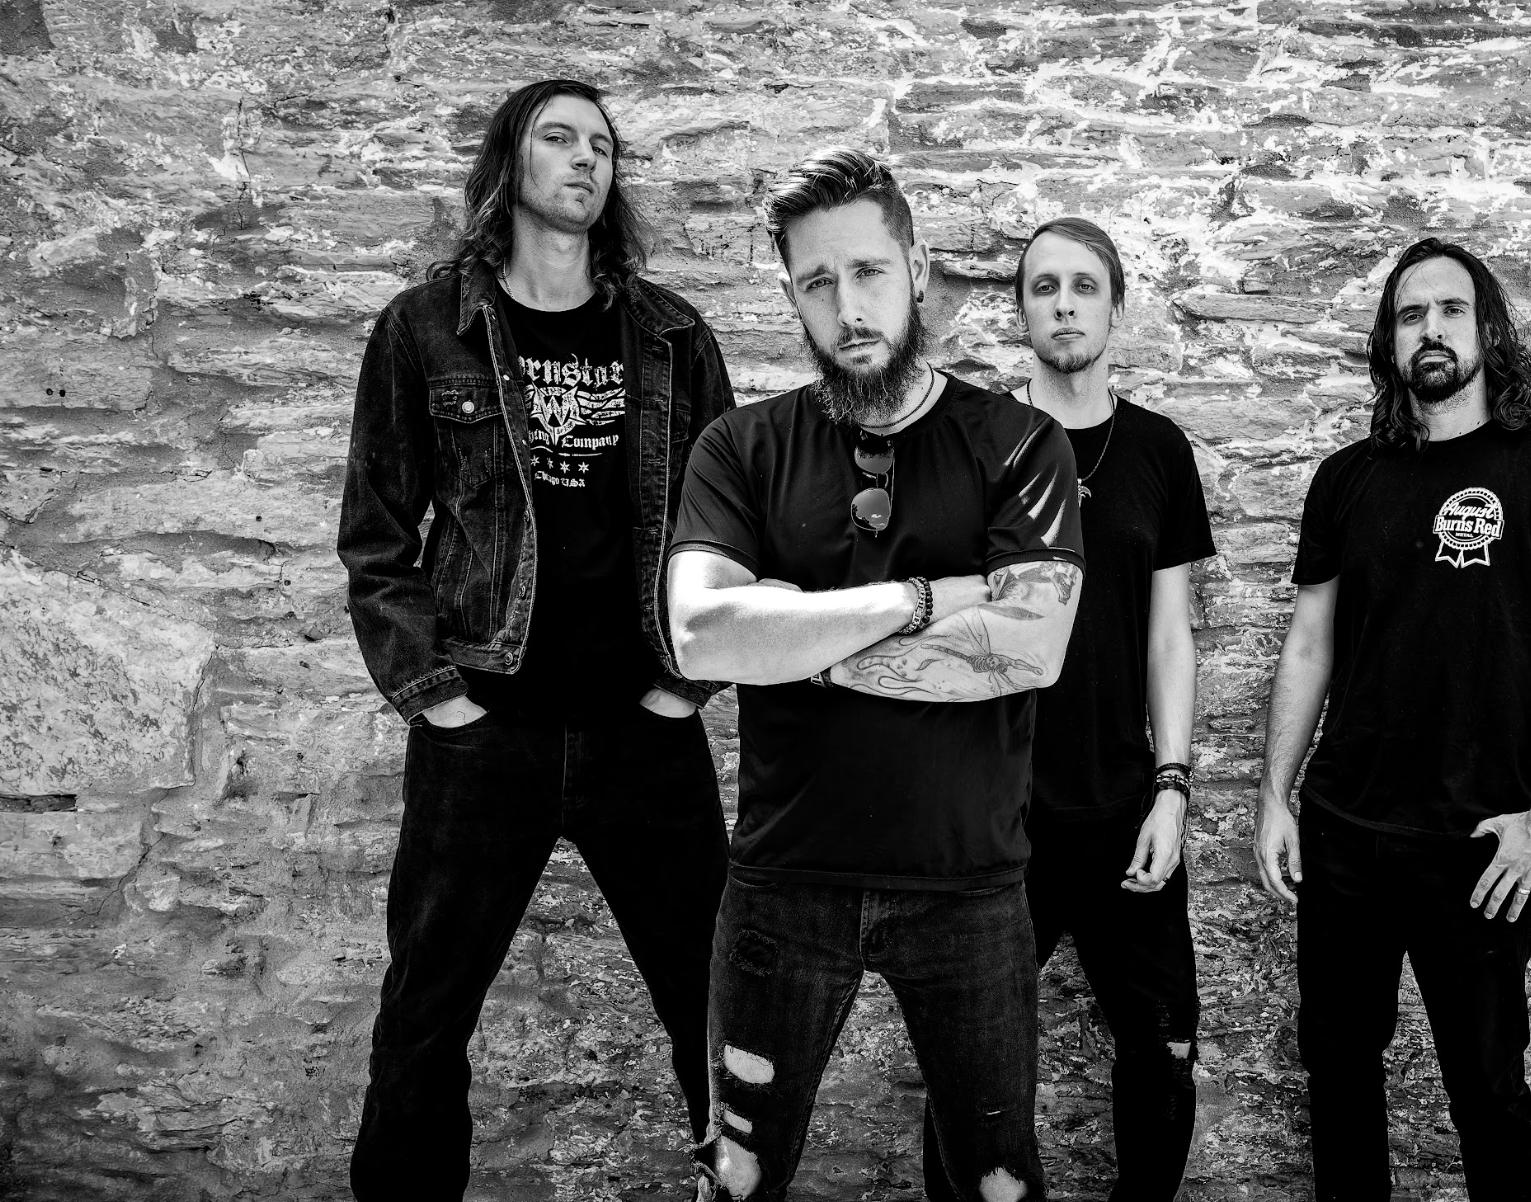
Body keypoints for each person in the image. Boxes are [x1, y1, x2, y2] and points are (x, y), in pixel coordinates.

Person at [336, 78, 735, 1201]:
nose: (586, 158)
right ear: (510, 163)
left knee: (719, 1009)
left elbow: (728, 530)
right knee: (423, 1017)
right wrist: (440, 700)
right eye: (559, 138)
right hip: (485, 732)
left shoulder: (672, 335)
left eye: (602, 144)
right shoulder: (424, 328)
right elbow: (377, 536)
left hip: (641, 731)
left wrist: (683, 686)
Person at [666, 147, 1084, 1202]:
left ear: (917, 269)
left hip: (969, 888)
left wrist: (799, 645)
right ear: (792, 297)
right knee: (736, 1180)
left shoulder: (1020, 444)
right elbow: (703, 637)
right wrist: (925, 598)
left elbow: (1032, 645)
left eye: (867, 272)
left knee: (998, 1184)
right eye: (818, 281)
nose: (848, 307)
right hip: (784, 888)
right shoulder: (740, 447)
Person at [1252, 237, 1531, 1200]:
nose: (1431, 329)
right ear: (1390, 343)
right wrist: (1276, 797)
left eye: (1451, 310)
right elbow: (1309, 646)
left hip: (1483, 845)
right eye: (1410, 314)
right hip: (1346, 833)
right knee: (1340, 1074)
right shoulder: (1345, 480)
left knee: (1487, 1091)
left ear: (1488, 330)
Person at [923, 217, 1215, 1202]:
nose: (1063, 305)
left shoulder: (1157, 449)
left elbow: (1169, 635)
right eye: (1043, 287)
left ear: (1115, 306)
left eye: (1084, 286)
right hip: (997, 810)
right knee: (970, 1061)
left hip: (1122, 803)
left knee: (1165, 1043)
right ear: (1022, 310)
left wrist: (1172, 789)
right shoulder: (975, 442)